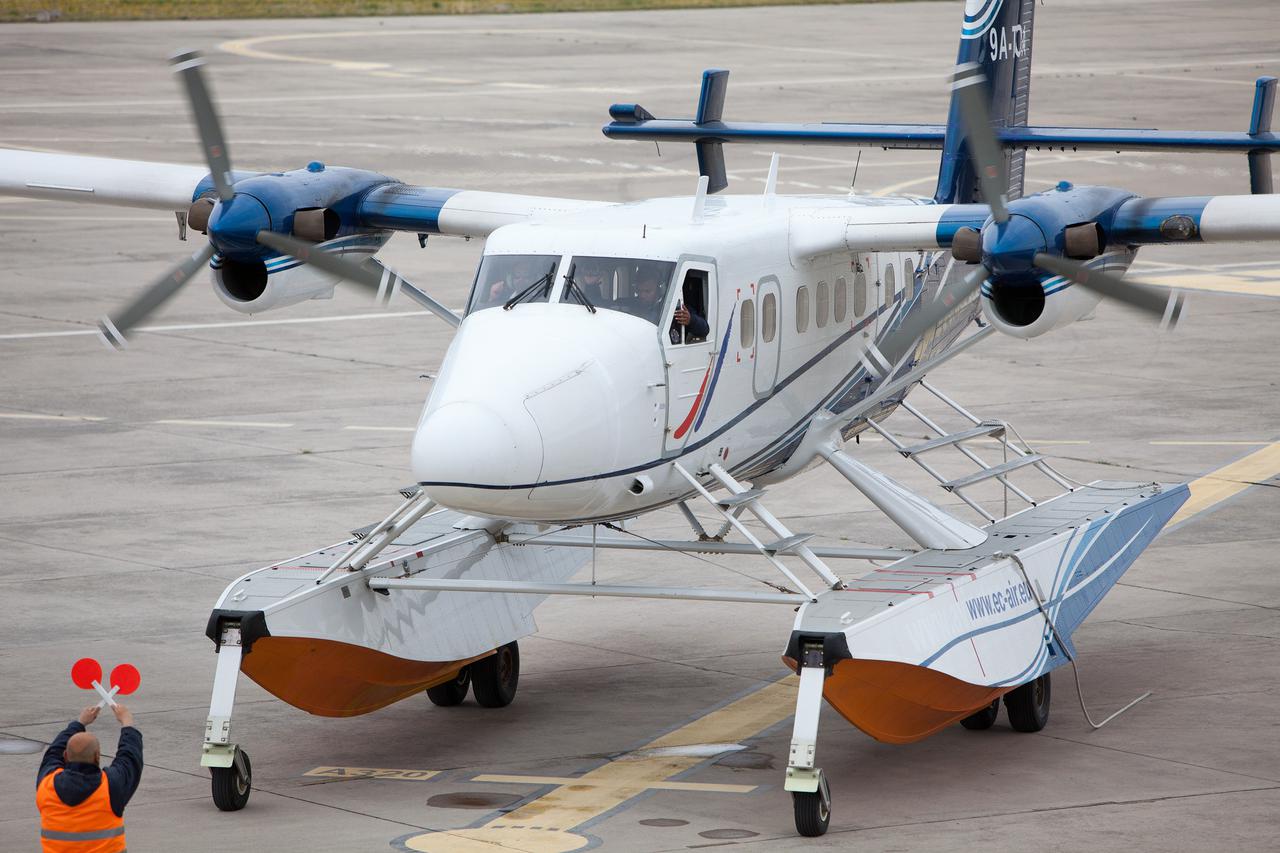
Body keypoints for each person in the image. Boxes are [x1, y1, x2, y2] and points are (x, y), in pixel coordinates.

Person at [36, 703, 142, 853]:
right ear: (97, 757)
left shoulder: (47, 784)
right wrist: (127, 723)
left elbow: (53, 752)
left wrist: (79, 723)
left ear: (65, 755)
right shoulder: (111, 786)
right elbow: (130, 757)